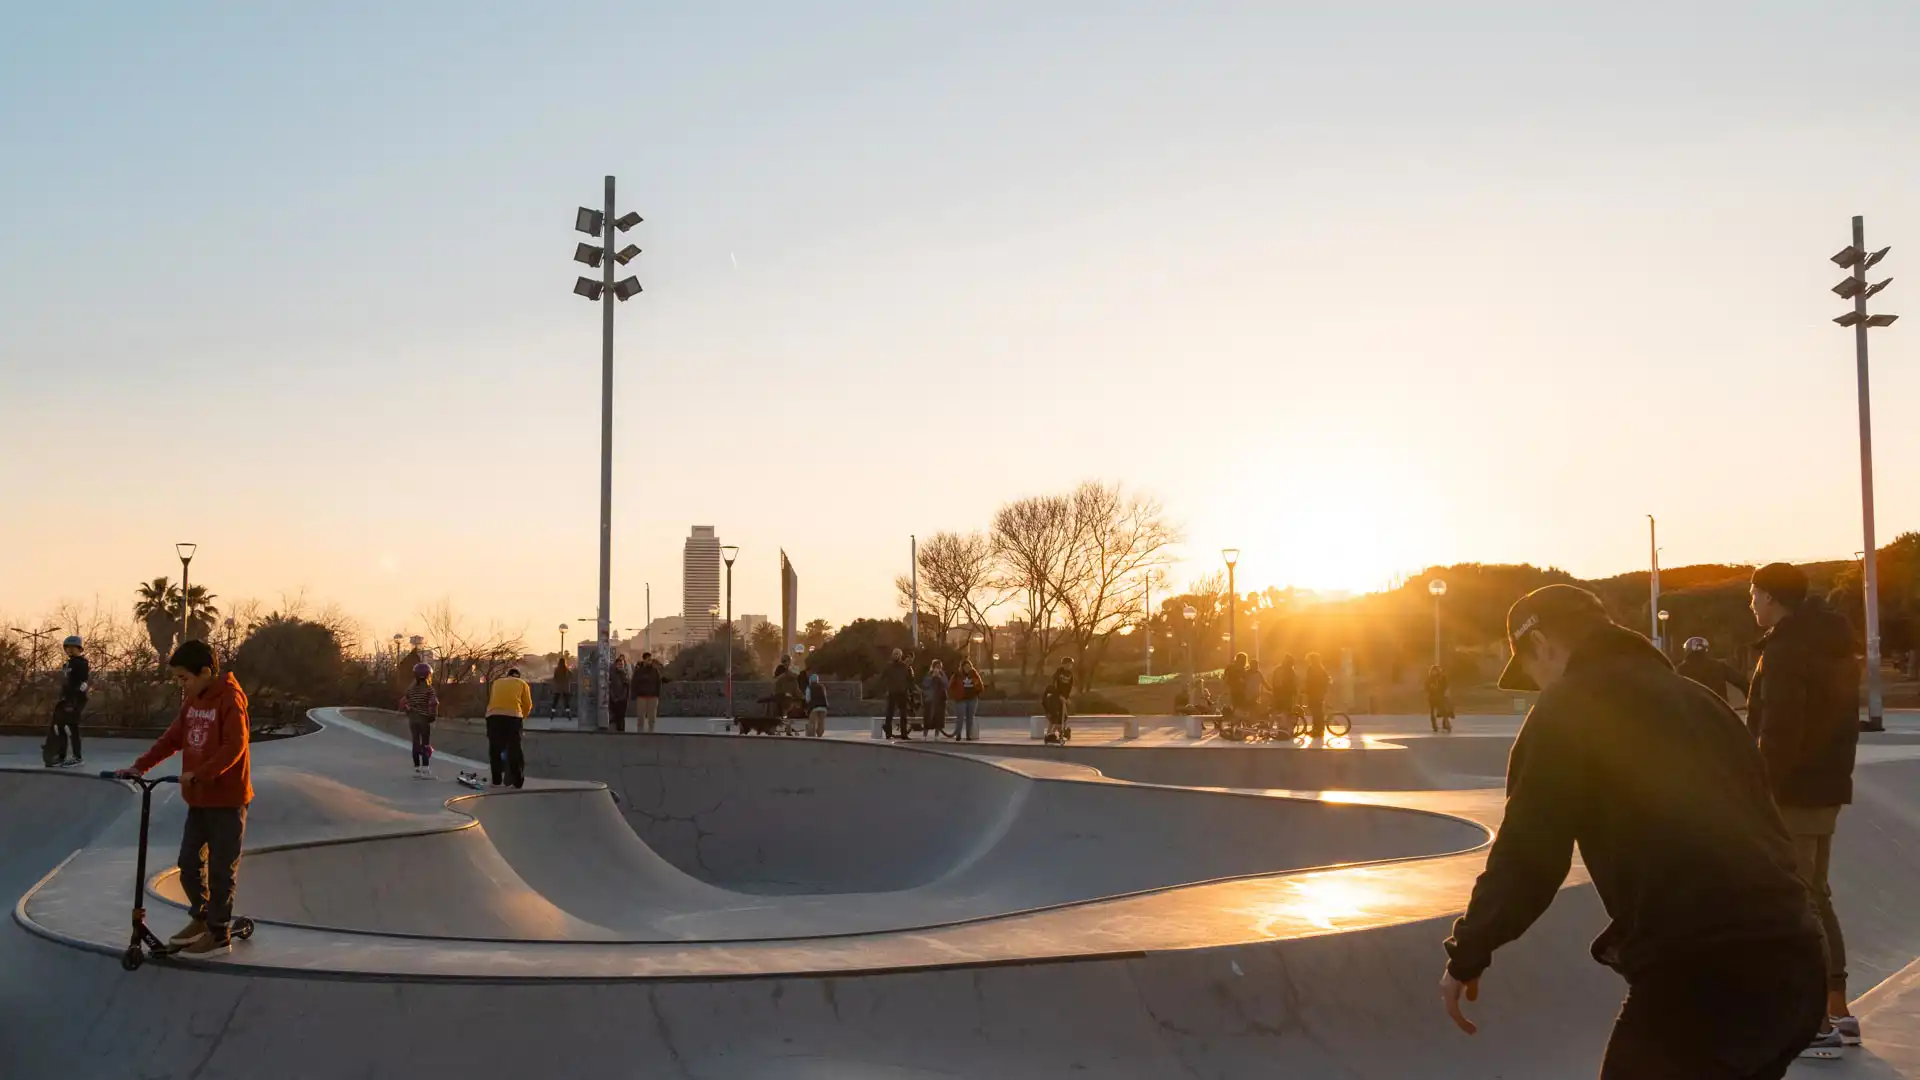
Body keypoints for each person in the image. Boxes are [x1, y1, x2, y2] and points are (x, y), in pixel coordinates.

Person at [1440, 585, 1826, 1078]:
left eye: (1533, 674)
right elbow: (1768, 824)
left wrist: (1467, 952)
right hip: (1794, 959)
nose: (1540, 689)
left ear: (1541, 645)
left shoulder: (1567, 708)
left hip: (1704, 976)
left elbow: (1529, 858)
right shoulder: (1702, 701)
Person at [1748, 561, 1861, 1050]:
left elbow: (1781, 729)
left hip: (1790, 792)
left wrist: (1761, 789)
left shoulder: (1787, 649)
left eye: (1753, 595)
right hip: (1826, 787)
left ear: (1771, 598)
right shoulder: (1832, 645)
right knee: (1814, 893)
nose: (1751, 604)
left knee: (1795, 900)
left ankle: (1813, 1022)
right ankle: (1837, 1008)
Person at [116, 640, 253, 956]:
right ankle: (202, 918)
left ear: (205, 672)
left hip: (228, 800)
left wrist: (202, 773)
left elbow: (235, 746)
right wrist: (139, 766)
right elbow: (172, 740)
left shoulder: (230, 699)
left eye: (184, 679)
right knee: (188, 863)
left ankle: (220, 934)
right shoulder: (192, 704)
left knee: (221, 869)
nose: (182, 686)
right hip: (198, 800)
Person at [483, 666, 533, 788]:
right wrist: (522, 718)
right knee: (514, 749)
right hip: (513, 717)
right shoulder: (522, 683)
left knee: (495, 748)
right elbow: (528, 704)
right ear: (518, 676)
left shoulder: (497, 682)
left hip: (493, 716)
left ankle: (496, 780)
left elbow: (493, 700)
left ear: (508, 675)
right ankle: (517, 781)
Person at [47, 634, 89, 767]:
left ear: (80, 649)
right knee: (60, 726)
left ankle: (77, 757)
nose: (70, 650)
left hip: (75, 699)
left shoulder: (81, 664)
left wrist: (74, 700)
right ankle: (61, 755)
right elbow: (66, 682)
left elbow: (82, 683)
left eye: (73, 647)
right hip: (65, 699)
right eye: (67, 647)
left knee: (72, 727)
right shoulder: (68, 664)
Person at [1678, 637, 1751, 704]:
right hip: (1719, 709)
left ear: (1687, 651)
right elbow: (1742, 682)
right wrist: (1750, 703)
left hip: (1692, 711)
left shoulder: (1681, 669)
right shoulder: (1719, 666)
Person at [399, 662, 439, 778]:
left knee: (415, 743)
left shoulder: (410, 690)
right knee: (425, 743)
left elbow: (402, 703)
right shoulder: (429, 688)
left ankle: (416, 769)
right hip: (424, 719)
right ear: (428, 675)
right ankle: (425, 769)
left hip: (413, 719)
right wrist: (433, 715)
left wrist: (407, 710)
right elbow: (434, 702)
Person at [881, 648, 915, 740]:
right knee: (889, 713)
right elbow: (882, 678)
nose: (895, 655)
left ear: (900, 655)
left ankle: (904, 734)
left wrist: (910, 689)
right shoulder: (889, 666)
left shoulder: (904, 666)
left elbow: (910, 679)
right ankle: (888, 733)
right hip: (892, 692)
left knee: (903, 714)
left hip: (902, 692)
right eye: (894, 654)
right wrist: (885, 689)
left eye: (897, 654)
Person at [951, 659, 984, 741]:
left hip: (972, 698)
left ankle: (968, 735)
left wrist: (977, 690)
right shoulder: (957, 675)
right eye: (965, 667)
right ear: (962, 667)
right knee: (960, 717)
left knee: (970, 717)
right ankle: (958, 734)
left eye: (969, 667)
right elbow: (951, 686)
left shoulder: (973, 674)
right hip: (960, 699)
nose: (967, 668)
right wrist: (955, 695)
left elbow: (980, 685)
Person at [631, 651, 664, 733]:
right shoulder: (638, 671)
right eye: (648, 660)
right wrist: (634, 695)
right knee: (640, 718)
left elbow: (658, 683)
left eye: (650, 660)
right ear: (644, 660)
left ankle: (651, 733)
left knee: (652, 718)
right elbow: (634, 683)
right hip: (641, 697)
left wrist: (657, 695)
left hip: (652, 697)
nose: (650, 661)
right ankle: (640, 733)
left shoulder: (654, 671)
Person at [1302, 653, 1332, 740]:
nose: (1308, 662)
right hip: (1319, 694)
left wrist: (1306, 690)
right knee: (1318, 712)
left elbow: (1309, 682)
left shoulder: (1312, 669)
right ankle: (1318, 730)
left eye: (1309, 660)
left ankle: (1317, 730)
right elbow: (1326, 680)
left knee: (1316, 712)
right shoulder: (1321, 669)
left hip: (1314, 694)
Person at [922, 659, 951, 738]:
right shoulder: (929, 674)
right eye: (936, 666)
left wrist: (939, 677)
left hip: (940, 699)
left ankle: (936, 735)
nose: (938, 668)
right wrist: (932, 678)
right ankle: (925, 735)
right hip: (930, 700)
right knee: (928, 717)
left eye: (939, 667)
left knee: (939, 717)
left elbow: (947, 685)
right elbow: (924, 684)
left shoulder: (942, 674)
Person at [1425, 664, 1453, 733]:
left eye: (1436, 671)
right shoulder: (1429, 679)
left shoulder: (1442, 678)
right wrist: (1431, 688)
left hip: (1440, 697)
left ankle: (1445, 724)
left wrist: (1443, 690)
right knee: (1433, 712)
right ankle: (1434, 726)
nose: (1435, 672)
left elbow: (1445, 685)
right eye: (1433, 671)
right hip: (1432, 698)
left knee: (1444, 711)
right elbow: (1426, 687)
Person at [607, 654, 631, 733]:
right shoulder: (612, 675)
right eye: (619, 664)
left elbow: (626, 688)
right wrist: (614, 697)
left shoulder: (624, 674)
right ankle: (615, 731)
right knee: (614, 716)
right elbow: (610, 687)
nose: (620, 666)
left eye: (621, 664)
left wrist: (622, 698)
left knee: (621, 717)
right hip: (614, 699)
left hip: (622, 700)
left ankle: (621, 731)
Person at [1270, 654, 1299, 720]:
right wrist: (1295, 691)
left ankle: (1273, 726)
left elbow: (1273, 681)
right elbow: (1293, 683)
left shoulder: (1278, 669)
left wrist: (1274, 691)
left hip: (1278, 692)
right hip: (1286, 694)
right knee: (1286, 711)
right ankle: (1284, 725)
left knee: (1277, 710)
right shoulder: (1290, 671)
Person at [804, 672, 830, 737]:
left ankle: (812, 736)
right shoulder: (822, 687)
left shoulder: (809, 687)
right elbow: (825, 696)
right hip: (823, 707)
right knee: (821, 722)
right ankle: (820, 735)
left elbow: (807, 699)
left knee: (812, 722)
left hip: (814, 707)